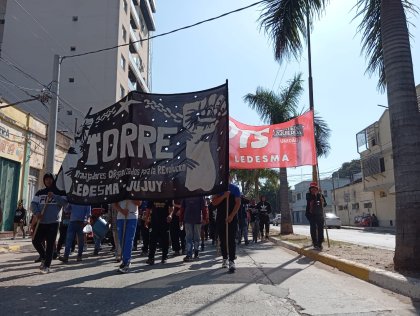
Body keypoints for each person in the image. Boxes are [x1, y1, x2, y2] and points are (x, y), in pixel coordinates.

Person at [31, 173, 67, 273]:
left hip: (53, 222)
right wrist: (37, 213)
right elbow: (33, 204)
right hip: (41, 222)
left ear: (53, 180)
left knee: (50, 244)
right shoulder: (40, 192)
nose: (48, 181)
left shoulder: (60, 192)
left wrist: (54, 196)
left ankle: (47, 266)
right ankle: (43, 256)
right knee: (35, 240)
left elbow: (65, 203)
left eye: (50, 179)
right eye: (46, 179)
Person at [212, 174, 241, 273]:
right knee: (223, 239)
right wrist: (224, 196)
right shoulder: (218, 189)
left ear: (230, 178)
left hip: (231, 218)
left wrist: (232, 216)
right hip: (221, 218)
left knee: (231, 239)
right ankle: (225, 258)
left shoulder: (235, 189)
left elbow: (238, 203)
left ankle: (232, 260)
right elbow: (214, 202)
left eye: (228, 177)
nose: (226, 179)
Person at [113, 199, 141, 273]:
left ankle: (127, 262)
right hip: (120, 217)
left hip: (132, 216)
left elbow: (139, 203)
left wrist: (131, 197)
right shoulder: (119, 189)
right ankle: (125, 260)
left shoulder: (135, 189)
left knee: (128, 240)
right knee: (121, 240)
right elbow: (114, 204)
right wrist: (122, 211)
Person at [180, 196, 207, 262]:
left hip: (193, 220)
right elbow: (182, 208)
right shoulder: (199, 196)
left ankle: (192, 254)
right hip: (191, 220)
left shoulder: (187, 196)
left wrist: (204, 218)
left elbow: (204, 208)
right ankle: (193, 254)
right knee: (193, 238)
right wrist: (204, 218)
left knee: (192, 238)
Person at [145, 199, 173, 265]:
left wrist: (170, 215)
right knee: (152, 240)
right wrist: (146, 219)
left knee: (165, 240)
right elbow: (148, 208)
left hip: (164, 222)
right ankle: (151, 258)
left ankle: (164, 257)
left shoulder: (167, 195)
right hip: (154, 222)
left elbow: (172, 206)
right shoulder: (153, 195)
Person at [305, 182, 327, 250]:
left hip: (319, 214)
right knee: (313, 227)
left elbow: (325, 204)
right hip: (311, 214)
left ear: (317, 189)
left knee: (320, 228)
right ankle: (315, 243)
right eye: (312, 188)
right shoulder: (308, 195)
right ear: (310, 189)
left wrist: (322, 201)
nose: (313, 190)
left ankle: (320, 243)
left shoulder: (321, 195)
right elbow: (309, 200)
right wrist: (315, 195)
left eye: (314, 188)